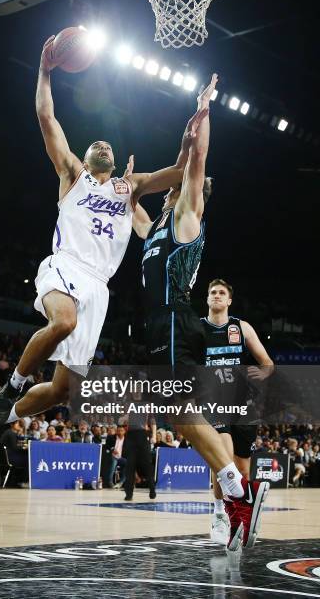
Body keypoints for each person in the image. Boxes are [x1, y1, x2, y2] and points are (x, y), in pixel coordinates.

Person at [0, 36, 208, 446]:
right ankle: (11, 390)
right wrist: (44, 71)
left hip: (99, 286)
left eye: (108, 144)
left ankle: (0, 419)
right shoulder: (72, 175)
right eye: (97, 143)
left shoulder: (129, 188)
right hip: (66, 264)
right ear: (89, 156)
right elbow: (47, 118)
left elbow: (182, 171)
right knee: (64, 321)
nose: (103, 145)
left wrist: (189, 136)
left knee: (62, 390)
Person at [131, 74, 270, 551]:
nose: (171, 190)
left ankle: (235, 488)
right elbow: (131, 205)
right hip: (156, 324)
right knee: (176, 413)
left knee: (179, 408)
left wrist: (202, 109)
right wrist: (129, 184)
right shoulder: (153, 231)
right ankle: (233, 489)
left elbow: (196, 163)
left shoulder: (187, 217)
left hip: (175, 318)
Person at [200, 278, 274, 545]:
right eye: (213, 292)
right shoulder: (198, 329)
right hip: (213, 402)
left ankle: (240, 513)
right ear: (207, 299)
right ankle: (218, 512)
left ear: (229, 300)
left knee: (242, 470)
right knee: (222, 455)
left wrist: (264, 371)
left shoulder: (242, 328)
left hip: (242, 405)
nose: (217, 295)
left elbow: (267, 362)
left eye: (222, 292)